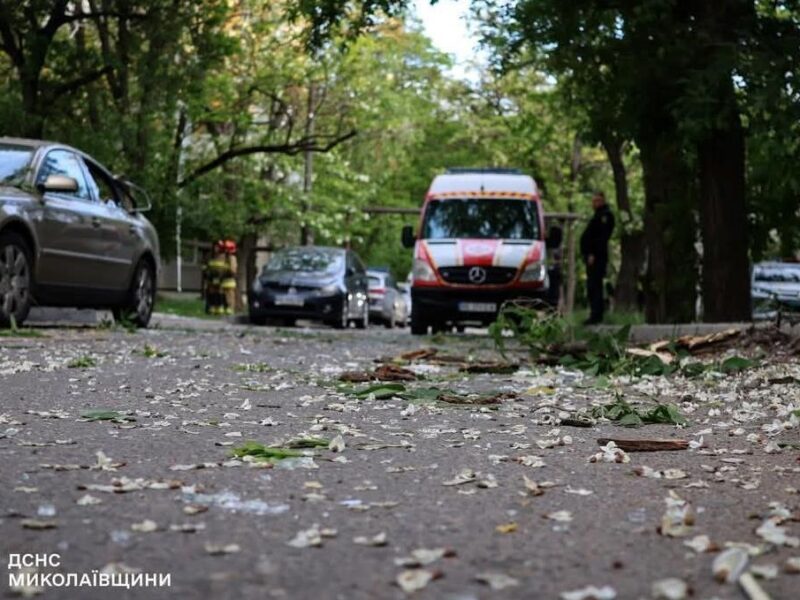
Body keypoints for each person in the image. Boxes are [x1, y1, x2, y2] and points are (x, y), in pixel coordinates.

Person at [580, 191, 615, 325]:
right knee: (592, 286)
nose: (595, 203)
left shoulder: (605, 216)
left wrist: (592, 253)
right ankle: (594, 313)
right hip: (592, 256)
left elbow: (601, 238)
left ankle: (596, 315)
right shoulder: (597, 216)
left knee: (595, 285)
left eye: (598, 200)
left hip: (597, 257)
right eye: (594, 201)